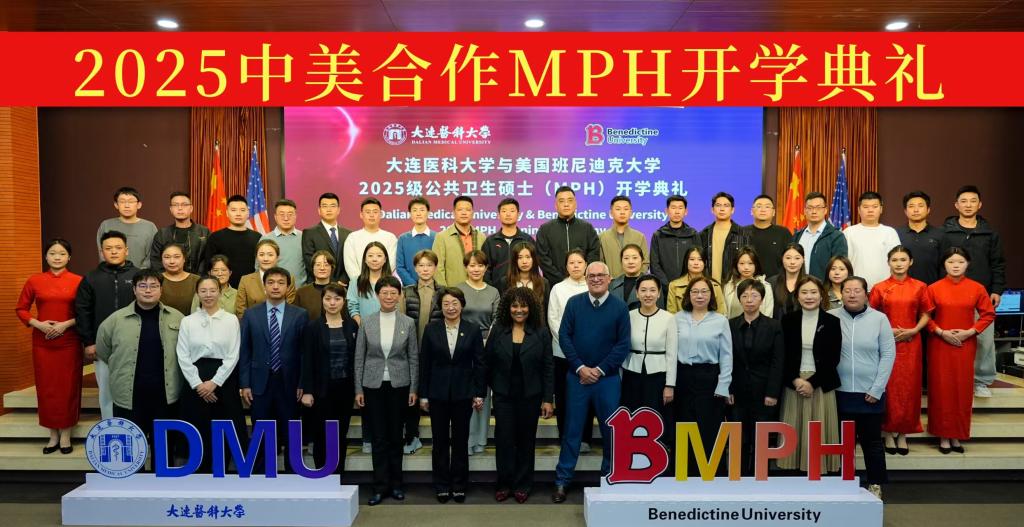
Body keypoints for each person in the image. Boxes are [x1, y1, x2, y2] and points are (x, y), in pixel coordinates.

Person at [552, 262, 630, 503]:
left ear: (609, 279)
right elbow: (564, 336)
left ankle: (609, 478)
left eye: (600, 275)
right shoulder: (574, 303)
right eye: (591, 276)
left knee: (610, 430)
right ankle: (562, 480)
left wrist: (599, 369)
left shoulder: (619, 307)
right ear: (586, 279)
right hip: (577, 378)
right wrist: (580, 367)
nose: (596, 279)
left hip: (607, 380)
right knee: (572, 430)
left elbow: (623, 344)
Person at [95, 270, 184, 464]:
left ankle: (162, 482)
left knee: (164, 453)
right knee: (131, 453)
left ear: (161, 290)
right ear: (134, 290)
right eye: (142, 286)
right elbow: (103, 351)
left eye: (153, 286)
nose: (148, 290)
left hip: (166, 396)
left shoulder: (177, 318)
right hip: (129, 397)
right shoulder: (115, 320)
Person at [353, 276, 419, 506]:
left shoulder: (408, 323)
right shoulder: (367, 322)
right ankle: (380, 487)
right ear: (377, 295)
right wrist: (358, 388)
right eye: (384, 293)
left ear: (399, 296)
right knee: (379, 437)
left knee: (395, 437)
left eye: (393, 293)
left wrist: (414, 388)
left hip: (400, 386)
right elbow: (359, 357)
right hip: (373, 386)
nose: (389, 297)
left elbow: (413, 357)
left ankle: (396, 485)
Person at [485, 287, 554, 503]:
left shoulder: (541, 332)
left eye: (523, 306)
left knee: (526, 441)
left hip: (530, 396)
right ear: (508, 308)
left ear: (531, 307)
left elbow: (548, 367)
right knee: (504, 440)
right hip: (503, 396)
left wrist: (548, 399)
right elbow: (487, 361)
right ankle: (504, 484)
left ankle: (523, 484)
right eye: (514, 306)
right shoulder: (498, 330)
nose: (519, 310)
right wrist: (483, 390)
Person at [830, 276, 896, 500]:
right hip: (839, 392)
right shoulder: (831, 316)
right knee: (842, 443)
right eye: (847, 290)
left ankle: (875, 483)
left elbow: (888, 355)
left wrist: (877, 388)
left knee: (872, 443)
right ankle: (843, 483)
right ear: (841, 294)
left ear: (866, 294)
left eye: (857, 290)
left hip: (870, 394)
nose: (852, 294)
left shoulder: (879, 319)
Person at [925, 248, 996, 453]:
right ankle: (943, 436)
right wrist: (940, 332)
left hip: (965, 344)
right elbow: (924, 316)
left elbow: (988, 314)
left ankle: (957, 435)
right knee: (941, 390)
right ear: (944, 264)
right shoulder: (933, 288)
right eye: (951, 262)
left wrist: (970, 332)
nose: (955, 265)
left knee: (962, 390)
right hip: (940, 345)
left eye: (960, 262)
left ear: (968, 264)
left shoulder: (977, 288)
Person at [420, 287, 486, 503]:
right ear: (440, 307)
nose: (450, 307)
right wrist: (423, 395)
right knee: (439, 441)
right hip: (437, 394)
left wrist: (479, 392)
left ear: (462, 305)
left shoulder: (472, 329)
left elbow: (480, 363)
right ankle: (441, 485)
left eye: (455, 303)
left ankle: (459, 485)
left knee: (460, 441)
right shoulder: (431, 329)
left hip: (463, 393)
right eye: (446, 304)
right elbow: (425, 363)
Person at [16, 239, 82, 454]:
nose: (57, 257)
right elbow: (21, 309)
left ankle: (66, 435)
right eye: (52, 253)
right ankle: (52, 435)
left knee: (68, 387)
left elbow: (85, 312)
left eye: (62, 253)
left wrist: (66, 324)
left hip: (69, 341)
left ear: (69, 257)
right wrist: (38, 324)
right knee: (47, 389)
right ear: (46, 256)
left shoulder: (78, 281)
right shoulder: (35, 280)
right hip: (42, 342)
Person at [238, 267, 308, 473]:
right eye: (271, 282)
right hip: (260, 383)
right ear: (264, 286)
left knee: (291, 432)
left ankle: (293, 474)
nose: (276, 286)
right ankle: (262, 477)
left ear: (288, 287)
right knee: (261, 431)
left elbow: (304, 353)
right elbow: (245, 350)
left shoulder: (300, 315)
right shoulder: (251, 314)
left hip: (290, 383)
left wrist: (302, 383)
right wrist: (245, 383)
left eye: (281, 283)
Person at [940, 185, 1005, 399]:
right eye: (964, 201)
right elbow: (938, 263)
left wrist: (996, 290)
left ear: (980, 205)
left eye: (973, 201)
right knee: (950, 339)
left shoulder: (990, 234)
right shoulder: (945, 233)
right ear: (956, 205)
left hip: (981, 295)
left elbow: (998, 264)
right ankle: (950, 379)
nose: (968, 205)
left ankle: (981, 380)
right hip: (949, 295)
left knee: (984, 340)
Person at [175, 275, 246, 473]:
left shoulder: (231, 320)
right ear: (197, 294)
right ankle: (198, 469)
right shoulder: (188, 321)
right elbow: (182, 355)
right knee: (198, 425)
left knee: (225, 424)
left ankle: (224, 469)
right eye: (203, 291)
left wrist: (215, 382)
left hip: (224, 379)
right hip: (195, 379)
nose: (208, 295)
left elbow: (233, 354)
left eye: (213, 290)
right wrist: (198, 384)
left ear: (220, 292)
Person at [870, 246, 932, 455]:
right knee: (889, 386)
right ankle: (888, 432)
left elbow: (926, 314)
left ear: (910, 262)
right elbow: (871, 315)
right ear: (888, 262)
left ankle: (904, 433)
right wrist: (887, 330)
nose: (898, 263)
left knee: (909, 388)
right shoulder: (879, 287)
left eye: (903, 259)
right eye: (894, 259)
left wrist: (914, 329)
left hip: (912, 342)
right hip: (885, 342)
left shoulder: (920, 286)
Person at [777, 276, 842, 475]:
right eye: (804, 292)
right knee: (794, 427)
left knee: (819, 428)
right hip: (794, 383)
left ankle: (818, 472)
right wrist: (795, 380)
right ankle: (793, 472)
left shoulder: (832, 322)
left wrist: (812, 383)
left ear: (821, 295)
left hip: (821, 384)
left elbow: (833, 358)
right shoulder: (788, 320)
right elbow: (782, 355)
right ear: (797, 296)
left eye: (814, 292)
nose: (809, 296)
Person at [76, 230, 141, 419]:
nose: (113, 251)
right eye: (108, 248)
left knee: (136, 390)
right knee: (106, 392)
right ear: (101, 251)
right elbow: (83, 311)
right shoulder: (91, 278)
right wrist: (88, 342)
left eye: (118, 248)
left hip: (135, 344)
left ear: (126, 250)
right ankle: (110, 428)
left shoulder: (139, 275)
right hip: (102, 346)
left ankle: (135, 430)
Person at [673, 276, 733, 477]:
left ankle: (710, 475)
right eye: (695, 291)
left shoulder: (720, 320)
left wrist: (723, 385)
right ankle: (683, 475)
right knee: (683, 425)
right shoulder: (677, 318)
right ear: (688, 295)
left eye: (704, 291)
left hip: (709, 378)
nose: (699, 295)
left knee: (709, 428)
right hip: (683, 377)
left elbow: (726, 355)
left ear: (711, 295)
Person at [300, 283, 359, 480]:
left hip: (345, 389)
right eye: (328, 299)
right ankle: (322, 476)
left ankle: (338, 476)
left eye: (337, 299)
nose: (332, 303)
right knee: (321, 434)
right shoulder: (313, 327)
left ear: (343, 302)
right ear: (322, 301)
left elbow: (356, 359)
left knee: (340, 434)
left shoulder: (352, 326)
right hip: (321, 390)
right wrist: (307, 390)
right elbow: (307, 360)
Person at [728, 279, 784, 476]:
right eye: (744, 296)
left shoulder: (774, 326)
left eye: (754, 296)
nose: (749, 300)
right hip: (737, 392)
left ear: (762, 299)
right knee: (739, 438)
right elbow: (727, 359)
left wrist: (772, 393)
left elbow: (778, 362)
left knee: (761, 438)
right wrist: (728, 389)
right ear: (739, 299)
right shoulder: (730, 325)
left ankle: (760, 478)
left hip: (764, 391)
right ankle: (739, 478)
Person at [547, 249, 595, 449]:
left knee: (586, 397)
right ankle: (565, 438)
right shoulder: (558, 288)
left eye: (579, 262)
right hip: (562, 353)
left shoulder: (593, 287)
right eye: (571, 263)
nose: (576, 266)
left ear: (586, 265)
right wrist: (569, 343)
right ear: (566, 266)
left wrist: (584, 343)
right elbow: (553, 319)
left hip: (588, 353)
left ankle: (584, 438)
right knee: (564, 396)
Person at [456, 251, 501, 456]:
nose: (476, 269)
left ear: (486, 268)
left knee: (483, 394)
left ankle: (481, 439)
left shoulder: (493, 291)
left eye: (480, 265)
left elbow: (497, 319)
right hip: (462, 345)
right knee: (465, 394)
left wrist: (487, 342)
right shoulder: (458, 289)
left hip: (486, 346)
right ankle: (466, 440)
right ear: (466, 267)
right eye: (472, 265)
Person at [398, 249, 443, 454]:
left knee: (435, 395)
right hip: (412, 351)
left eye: (429, 265)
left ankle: (439, 439)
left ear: (435, 268)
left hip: (436, 353)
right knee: (412, 396)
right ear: (415, 268)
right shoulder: (406, 291)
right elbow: (401, 322)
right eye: (421, 265)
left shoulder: (444, 292)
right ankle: (412, 436)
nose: (425, 269)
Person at [621, 275, 676, 435]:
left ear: (659, 294)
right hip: (632, 372)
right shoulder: (629, 316)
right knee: (632, 414)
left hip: (658, 375)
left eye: (652, 290)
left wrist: (670, 385)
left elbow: (672, 354)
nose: (648, 294)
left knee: (655, 416)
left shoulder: (669, 318)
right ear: (637, 293)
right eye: (643, 290)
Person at [537, 186, 601, 284]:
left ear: (575, 204)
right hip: (554, 285)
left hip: (583, 284)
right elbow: (543, 259)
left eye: (570, 201)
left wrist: (582, 276)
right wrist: (562, 281)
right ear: (556, 205)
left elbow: (594, 254)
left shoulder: (587, 228)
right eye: (561, 201)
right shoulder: (544, 230)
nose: (566, 204)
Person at [843, 192, 902, 289]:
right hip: (855, 289)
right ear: (859, 210)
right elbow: (843, 262)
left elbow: (898, 261)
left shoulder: (890, 232)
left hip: (886, 289)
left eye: (875, 206)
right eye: (866, 207)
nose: (870, 210)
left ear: (881, 209)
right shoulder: (848, 232)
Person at [202, 195, 261, 288]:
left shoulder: (257, 237)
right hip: (222, 288)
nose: (238, 214)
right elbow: (208, 267)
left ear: (248, 213)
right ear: (227, 213)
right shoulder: (215, 237)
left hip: (251, 288)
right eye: (233, 210)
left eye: (242, 210)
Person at [96, 186, 158, 270]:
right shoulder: (106, 225)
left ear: (139, 205)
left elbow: (152, 256)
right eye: (122, 202)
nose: (127, 205)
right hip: (111, 274)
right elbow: (102, 254)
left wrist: (140, 274)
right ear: (116, 205)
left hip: (141, 275)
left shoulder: (149, 227)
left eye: (131, 201)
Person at [343, 198, 398, 287]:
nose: (371, 215)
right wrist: (361, 282)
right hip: (359, 285)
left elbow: (391, 263)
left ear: (381, 214)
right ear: (361, 214)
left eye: (375, 212)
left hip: (383, 286)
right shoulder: (352, 238)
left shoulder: (390, 238)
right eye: (368, 212)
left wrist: (380, 282)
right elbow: (350, 265)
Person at [150, 191, 209, 273]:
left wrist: (198, 278)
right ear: (171, 209)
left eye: (184, 204)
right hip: (167, 279)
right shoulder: (162, 234)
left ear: (191, 208)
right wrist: (165, 278)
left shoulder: (204, 232)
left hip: (198, 279)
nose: (180, 208)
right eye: (175, 205)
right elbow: (155, 261)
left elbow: (208, 259)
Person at [650, 195, 703, 287]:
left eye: (680, 208)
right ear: (667, 211)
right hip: (665, 287)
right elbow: (654, 265)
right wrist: (667, 285)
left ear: (686, 211)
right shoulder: (658, 235)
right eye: (673, 208)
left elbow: (699, 261)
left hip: (690, 286)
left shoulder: (693, 234)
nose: (677, 211)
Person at [482, 198, 535, 290]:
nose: (508, 214)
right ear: (498, 215)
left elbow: (534, 266)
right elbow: (485, 269)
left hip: (523, 290)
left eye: (512, 211)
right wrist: (491, 291)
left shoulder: (527, 240)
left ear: (518, 215)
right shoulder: (490, 241)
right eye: (504, 211)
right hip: (497, 292)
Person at [235, 239, 297, 317]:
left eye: (270, 255)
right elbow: (240, 311)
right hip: (253, 323)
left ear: (277, 257)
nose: (265, 259)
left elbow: (290, 307)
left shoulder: (288, 278)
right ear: (256, 257)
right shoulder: (246, 280)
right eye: (261, 255)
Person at [794, 192, 848, 281]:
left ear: (825, 210)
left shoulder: (836, 236)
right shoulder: (797, 236)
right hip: (799, 286)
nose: (814, 211)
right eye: (810, 208)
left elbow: (840, 267)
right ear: (805, 211)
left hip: (824, 287)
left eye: (818, 208)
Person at [433, 195, 486, 286]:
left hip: (477, 289)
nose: (464, 213)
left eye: (468, 210)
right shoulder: (442, 237)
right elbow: (438, 268)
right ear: (453, 213)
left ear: (473, 213)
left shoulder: (481, 236)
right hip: (453, 291)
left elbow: (485, 266)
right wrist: (444, 291)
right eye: (460, 210)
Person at [699, 192, 749, 283]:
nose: (722, 209)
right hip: (709, 285)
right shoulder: (704, 234)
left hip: (734, 284)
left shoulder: (743, 234)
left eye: (726, 205)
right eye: (718, 205)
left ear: (732, 210)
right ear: (712, 209)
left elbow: (748, 261)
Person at [302, 192, 351, 285]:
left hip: (343, 286)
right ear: (319, 210)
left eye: (333, 206)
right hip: (319, 285)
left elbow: (351, 261)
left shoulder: (349, 234)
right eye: (325, 206)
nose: (329, 209)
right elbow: (309, 261)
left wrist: (343, 280)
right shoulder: (309, 233)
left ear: (338, 210)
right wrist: (331, 282)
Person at [897, 191, 943, 285]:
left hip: (931, 288)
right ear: (905, 211)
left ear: (928, 209)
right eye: (911, 206)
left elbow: (944, 266)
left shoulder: (939, 234)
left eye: (920, 206)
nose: (916, 210)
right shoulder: (896, 234)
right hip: (902, 288)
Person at [665, 247, 726, 315]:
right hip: (682, 321)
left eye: (700, 259)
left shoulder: (715, 286)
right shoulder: (674, 286)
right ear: (686, 262)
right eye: (692, 259)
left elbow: (721, 314)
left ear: (705, 263)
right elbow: (671, 315)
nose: (696, 263)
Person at [600, 196, 650, 278]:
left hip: (635, 283)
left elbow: (645, 263)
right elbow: (600, 263)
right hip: (610, 283)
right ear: (611, 213)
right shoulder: (602, 237)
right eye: (618, 209)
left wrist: (638, 279)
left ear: (631, 213)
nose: (622, 212)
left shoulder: (639, 236)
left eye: (626, 209)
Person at [744, 194, 792, 278]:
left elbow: (791, 259)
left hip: (777, 282)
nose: (763, 210)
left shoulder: (783, 233)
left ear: (773, 212)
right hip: (747, 282)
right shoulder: (742, 233)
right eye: (759, 206)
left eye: (767, 207)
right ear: (751, 211)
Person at [261, 199, 307, 286]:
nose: (286, 218)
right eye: (282, 214)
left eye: (290, 214)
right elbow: (259, 268)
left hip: (300, 290)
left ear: (295, 216)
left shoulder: (304, 237)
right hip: (274, 290)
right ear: (275, 217)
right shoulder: (266, 239)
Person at [347, 241, 394, 325]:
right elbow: (353, 307)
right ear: (365, 259)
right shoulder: (355, 282)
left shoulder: (393, 282)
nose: (374, 259)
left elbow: (397, 307)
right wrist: (362, 326)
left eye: (379, 256)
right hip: (363, 328)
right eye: (370, 255)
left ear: (385, 259)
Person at [722, 247, 774, 318]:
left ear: (756, 265)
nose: (746, 267)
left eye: (750, 263)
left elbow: (768, 314)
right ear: (736, 265)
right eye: (742, 263)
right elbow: (724, 313)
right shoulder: (729, 286)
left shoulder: (765, 286)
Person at [395, 197, 436, 287]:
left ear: (428, 213)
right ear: (410, 214)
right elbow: (400, 267)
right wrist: (414, 285)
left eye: (422, 210)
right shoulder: (403, 239)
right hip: (410, 288)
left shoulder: (437, 237)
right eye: (414, 210)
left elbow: (439, 265)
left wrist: (431, 285)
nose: (418, 213)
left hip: (433, 288)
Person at [294, 250, 341, 321]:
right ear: (312, 268)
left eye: (326, 265)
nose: (322, 268)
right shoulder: (301, 293)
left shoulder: (340, 291)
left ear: (332, 268)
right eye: (318, 265)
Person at [767, 243, 807, 319]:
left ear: (803, 259)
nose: (792, 262)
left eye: (797, 258)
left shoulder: (811, 283)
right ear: (782, 259)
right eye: (788, 258)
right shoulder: (771, 283)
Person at [158, 244, 200, 316]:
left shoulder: (197, 280)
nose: (172, 261)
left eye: (177, 257)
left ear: (184, 259)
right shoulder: (155, 280)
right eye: (167, 257)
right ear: (161, 259)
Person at [506, 241, 549, 312]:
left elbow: (546, 311)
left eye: (528, 257)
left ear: (534, 259)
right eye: (520, 257)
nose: (524, 261)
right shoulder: (506, 282)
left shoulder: (544, 283)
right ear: (515, 260)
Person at [609, 244, 650, 311]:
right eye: (626, 258)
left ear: (642, 261)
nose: (630, 262)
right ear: (621, 262)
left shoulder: (651, 284)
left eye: (635, 258)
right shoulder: (612, 284)